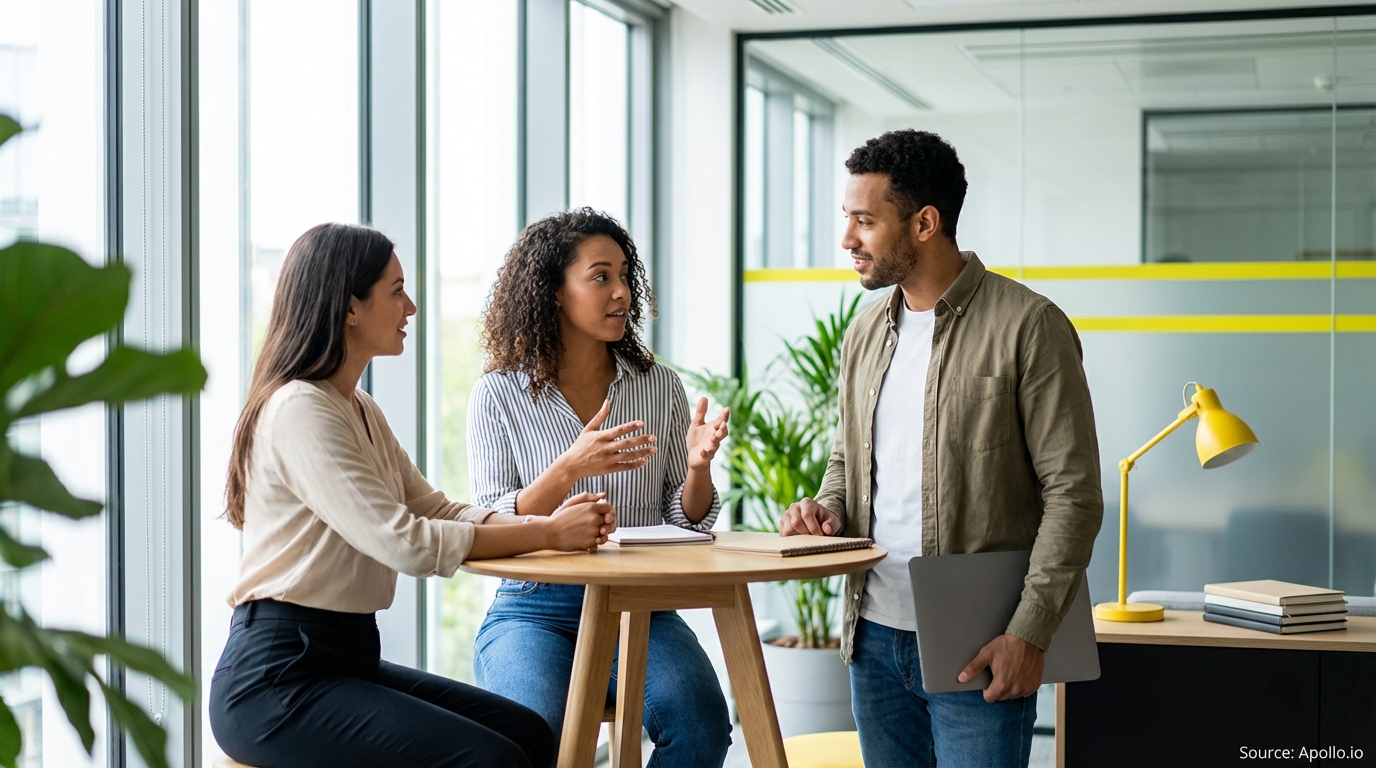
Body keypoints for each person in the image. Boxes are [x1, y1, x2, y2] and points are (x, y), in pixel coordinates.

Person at [209, 222, 617, 768]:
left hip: (346, 658)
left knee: (530, 735)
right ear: (350, 307)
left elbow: (436, 511)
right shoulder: (301, 409)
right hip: (277, 679)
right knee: (493, 760)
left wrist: (535, 523)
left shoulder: (359, 409)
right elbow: (402, 541)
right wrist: (545, 533)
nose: (412, 308)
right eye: (396, 291)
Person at [780, 130, 1104, 767]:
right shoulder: (866, 329)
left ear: (925, 222)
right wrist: (824, 508)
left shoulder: (1029, 325)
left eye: (865, 221)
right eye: (847, 218)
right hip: (871, 636)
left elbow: (1074, 496)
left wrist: (1029, 632)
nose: (847, 239)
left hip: (980, 641)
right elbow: (848, 462)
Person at [469, 208, 733, 767]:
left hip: (640, 605)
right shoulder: (498, 393)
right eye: (600, 277)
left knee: (703, 723)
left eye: (623, 277)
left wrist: (696, 469)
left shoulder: (657, 384)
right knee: (533, 736)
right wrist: (567, 468)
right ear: (555, 293)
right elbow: (489, 518)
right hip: (532, 608)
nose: (622, 293)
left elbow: (682, 521)